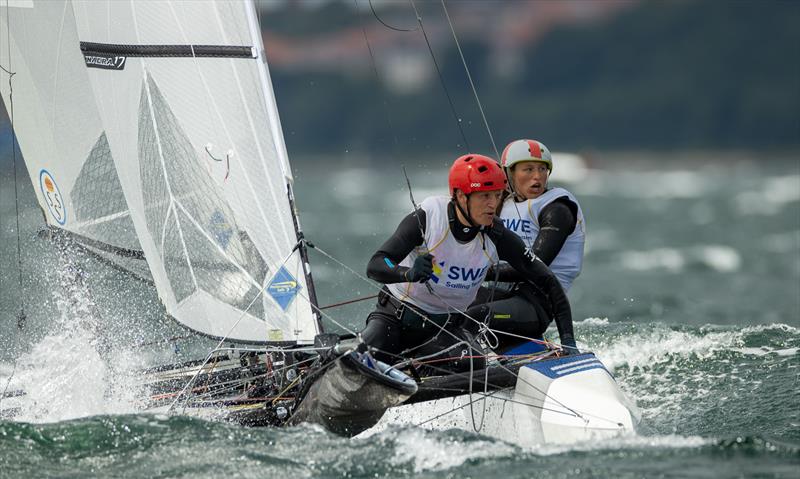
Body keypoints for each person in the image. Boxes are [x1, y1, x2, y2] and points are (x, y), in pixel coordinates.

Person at [360, 154, 577, 369]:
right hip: (395, 319)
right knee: (366, 354)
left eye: (497, 195)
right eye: (484, 196)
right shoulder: (429, 218)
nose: (493, 204)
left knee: (474, 364)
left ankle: (415, 371)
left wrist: (568, 342)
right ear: (461, 196)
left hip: (443, 330)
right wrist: (406, 273)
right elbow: (378, 263)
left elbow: (547, 280)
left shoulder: (497, 234)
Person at [466, 139, 585, 352]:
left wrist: (481, 272)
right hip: (502, 293)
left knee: (474, 317)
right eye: (528, 169)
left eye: (542, 169)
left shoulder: (557, 209)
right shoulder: (502, 203)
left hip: (538, 302)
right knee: (448, 304)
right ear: (509, 174)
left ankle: (466, 366)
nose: (537, 176)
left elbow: (533, 266)